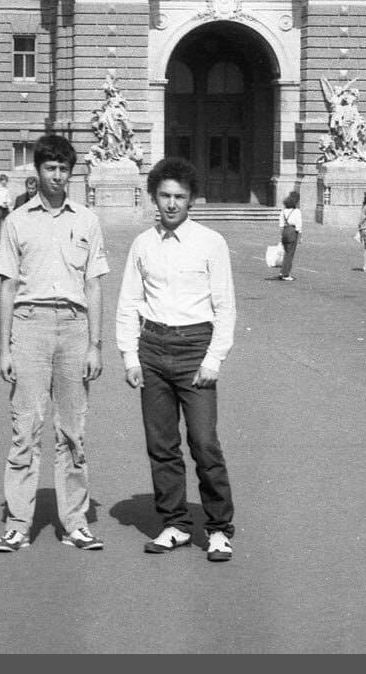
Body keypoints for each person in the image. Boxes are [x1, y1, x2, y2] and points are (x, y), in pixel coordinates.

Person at [116, 156, 237, 563]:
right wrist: (130, 357)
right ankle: (176, 524)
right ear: (154, 196)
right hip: (152, 349)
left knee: (204, 443)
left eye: (179, 197)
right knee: (161, 444)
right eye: (165, 195)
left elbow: (225, 306)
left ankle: (218, 528)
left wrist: (213, 359)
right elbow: (128, 302)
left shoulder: (211, 242)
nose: (171, 204)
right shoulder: (142, 244)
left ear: (191, 200)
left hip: (195, 349)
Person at [0, 134, 108, 553]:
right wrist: (4, 349)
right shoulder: (17, 221)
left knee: (72, 431)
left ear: (71, 173)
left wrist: (95, 344)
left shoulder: (88, 220)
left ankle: (75, 523)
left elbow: (94, 285)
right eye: (50, 168)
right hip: (30, 325)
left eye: (63, 169)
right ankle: (18, 524)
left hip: (75, 327)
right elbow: (7, 287)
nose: (57, 176)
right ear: (38, 171)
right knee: (25, 428)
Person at [277, 190, 301, 281]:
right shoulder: (297, 211)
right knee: (290, 254)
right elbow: (299, 226)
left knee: (286, 252)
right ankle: (285, 274)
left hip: (285, 231)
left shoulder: (283, 211)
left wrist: (281, 235)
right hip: (292, 232)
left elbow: (281, 224)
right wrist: (300, 237)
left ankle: (282, 271)